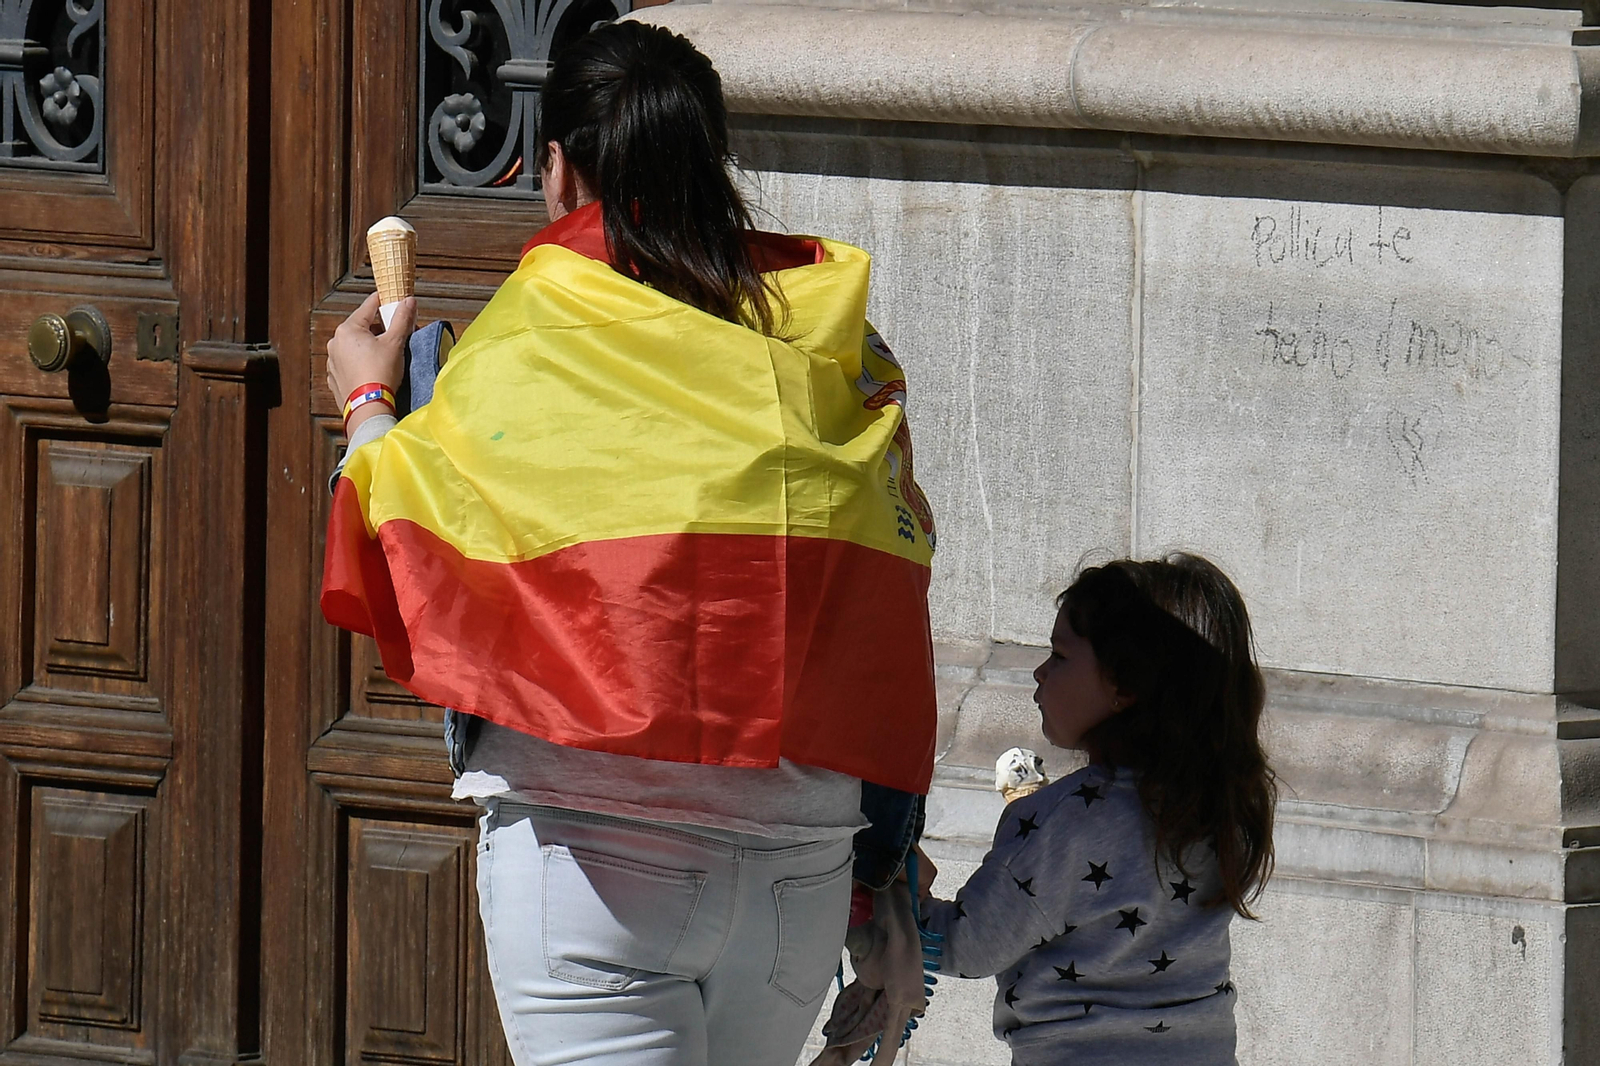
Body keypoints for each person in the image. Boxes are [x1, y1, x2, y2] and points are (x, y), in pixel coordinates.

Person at [320, 19, 938, 1066]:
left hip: (593, 860)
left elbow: (408, 545)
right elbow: (882, 606)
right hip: (802, 870)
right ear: (711, 161)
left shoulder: (536, 336)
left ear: (558, 168)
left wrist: (369, 401)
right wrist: (887, 879)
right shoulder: (833, 351)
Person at [914, 554, 1277, 1066]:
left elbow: (966, 944)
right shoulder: (1221, 806)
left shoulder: (1069, 820)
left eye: (1059, 656)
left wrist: (878, 894)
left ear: (1126, 686)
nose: (1038, 672)